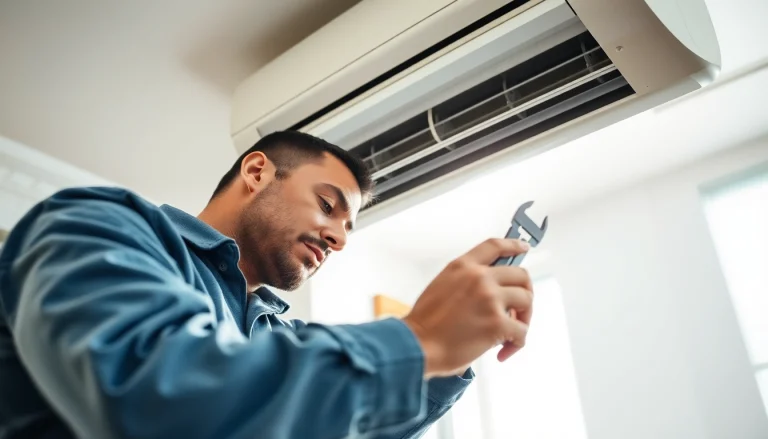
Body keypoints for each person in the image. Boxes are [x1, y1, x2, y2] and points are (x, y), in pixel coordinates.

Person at [0, 131, 534, 439]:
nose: (338, 238)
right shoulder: (97, 225)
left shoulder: (280, 337)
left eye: (348, 229)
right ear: (256, 172)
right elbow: (158, 400)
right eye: (327, 205)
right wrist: (420, 340)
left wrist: (452, 355)